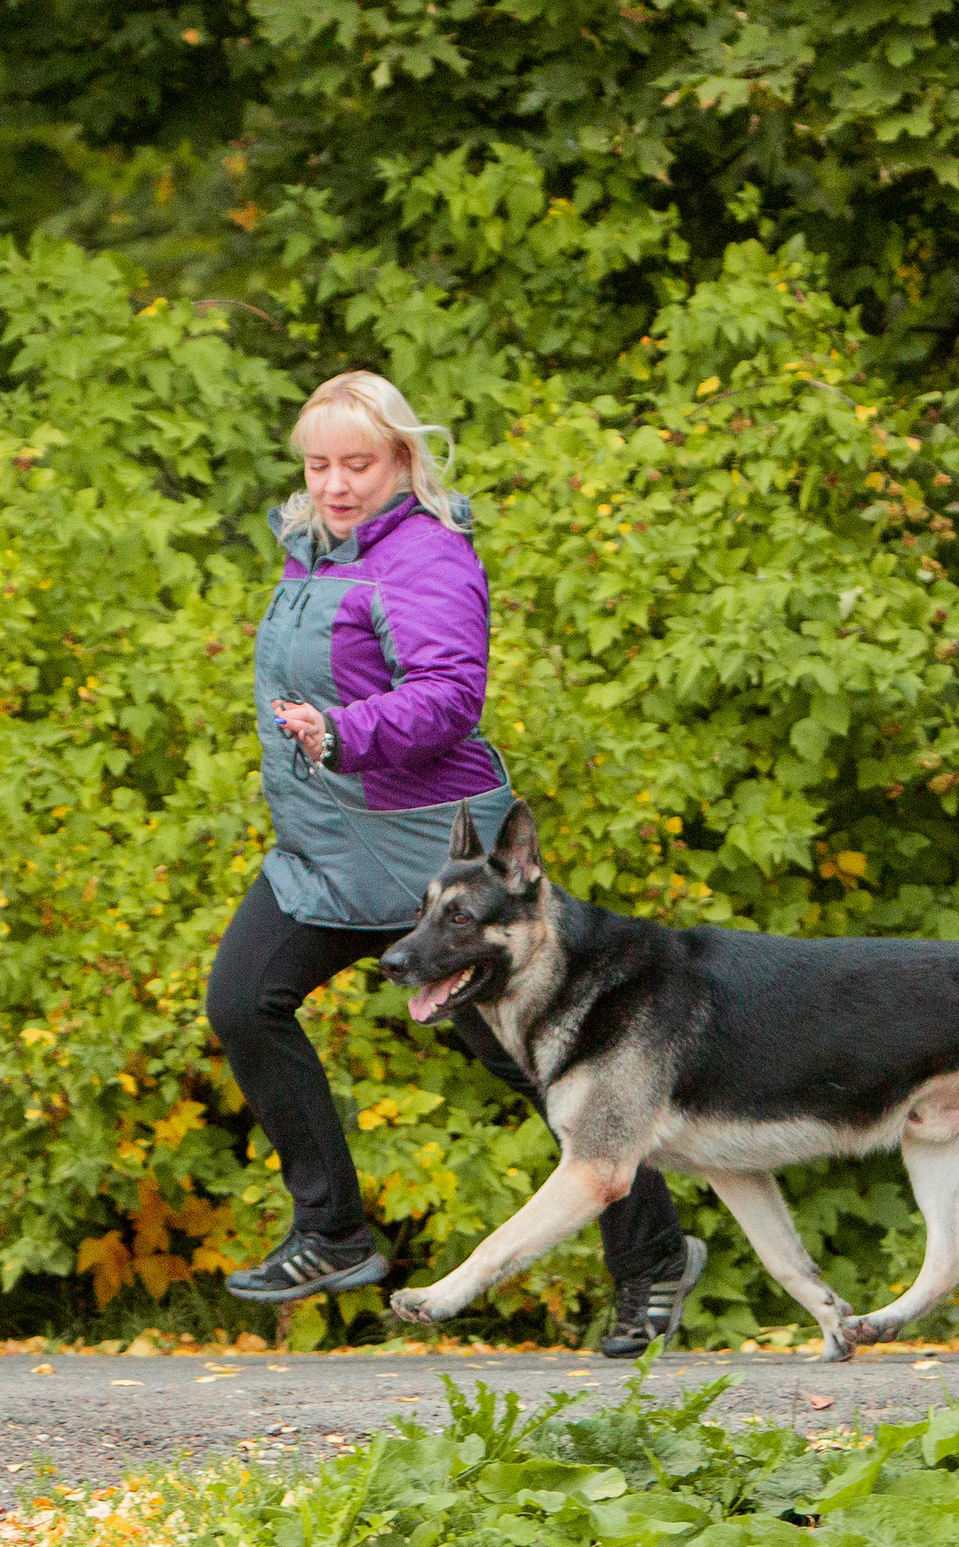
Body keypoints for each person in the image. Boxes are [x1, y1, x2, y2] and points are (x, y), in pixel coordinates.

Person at [204, 370, 705, 1358]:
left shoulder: (426, 556)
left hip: (434, 857)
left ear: (401, 459)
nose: (336, 483)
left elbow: (446, 699)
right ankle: (332, 1232)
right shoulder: (311, 555)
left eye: (358, 463)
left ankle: (651, 1264)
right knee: (243, 1000)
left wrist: (343, 731)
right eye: (318, 464)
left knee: (544, 1069)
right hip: (326, 850)